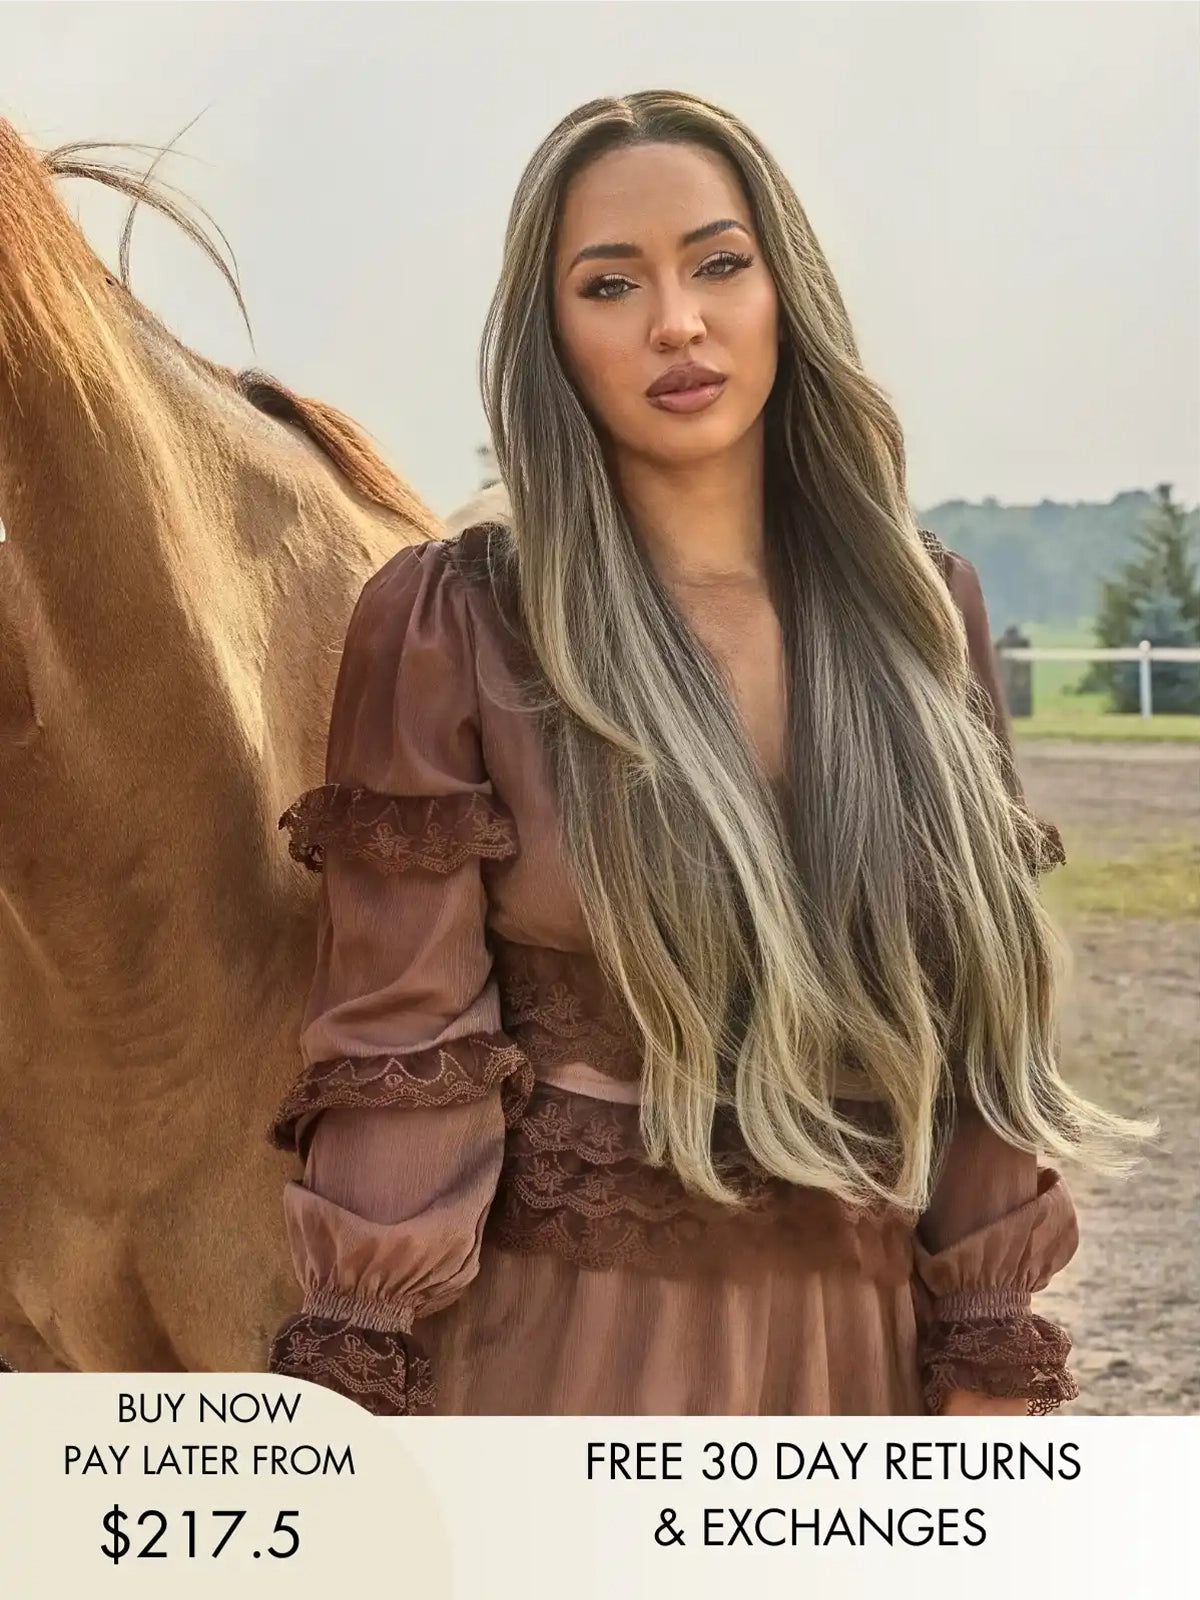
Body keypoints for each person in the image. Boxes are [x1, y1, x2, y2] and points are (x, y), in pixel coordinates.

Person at [266, 90, 1151, 1416]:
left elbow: (977, 1034)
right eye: (610, 284)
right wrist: (353, 1372)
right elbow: (404, 1040)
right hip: (558, 1370)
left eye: (718, 265)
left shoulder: (920, 620)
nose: (676, 321)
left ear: (783, 290)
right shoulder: (458, 623)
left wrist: (988, 1348)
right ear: (550, 337)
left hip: (854, 1381)